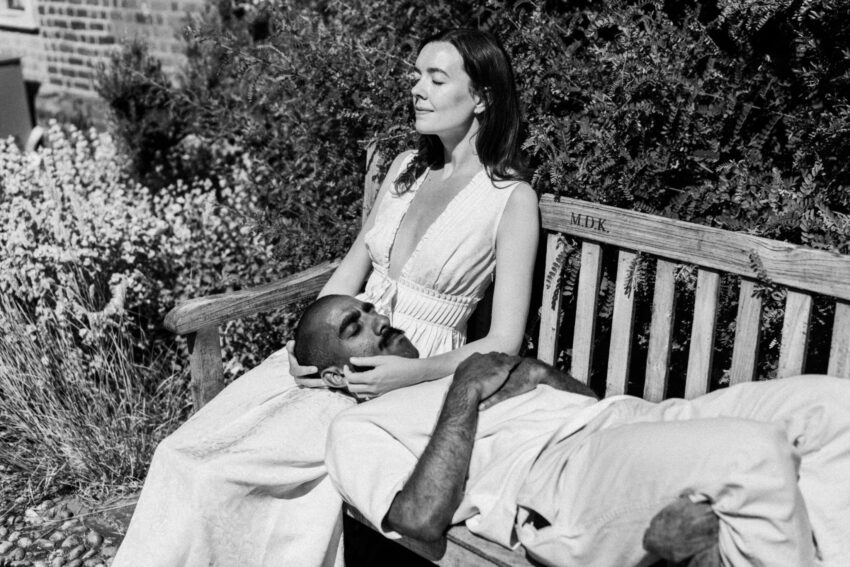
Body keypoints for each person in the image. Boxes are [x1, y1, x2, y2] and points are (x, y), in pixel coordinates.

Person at [113, 28, 539, 567]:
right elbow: (349, 273)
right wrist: (301, 345)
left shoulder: (510, 199)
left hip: (416, 367)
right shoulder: (408, 169)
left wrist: (405, 374)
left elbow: (503, 340)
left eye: (437, 78)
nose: (418, 89)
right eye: (416, 76)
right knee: (181, 454)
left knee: (223, 473)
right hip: (338, 343)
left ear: (481, 97)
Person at [308, 305, 850, 566]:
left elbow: (585, 404)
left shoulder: (446, 366)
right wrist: (465, 392)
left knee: (832, 408)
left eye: (370, 310)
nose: (378, 321)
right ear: (335, 374)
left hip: (631, 419)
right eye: (353, 329)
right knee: (753, 456)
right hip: (559, 482)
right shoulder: (354, 427)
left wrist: (539, 373)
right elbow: (417, 521)